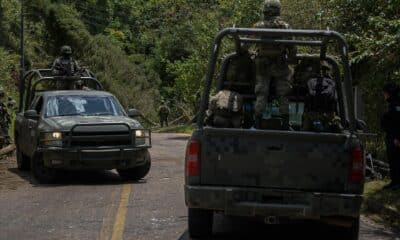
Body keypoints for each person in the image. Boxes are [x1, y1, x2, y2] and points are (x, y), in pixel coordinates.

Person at [253, 0, 297, 129]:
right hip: (280, 65)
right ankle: (285, 123)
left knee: (261, 93)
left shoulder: (258, 26)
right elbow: (292, 47)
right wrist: (292, 60)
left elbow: (246, 44)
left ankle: (257, 122)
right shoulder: (285, 26)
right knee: (283, 94)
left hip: (262, 66)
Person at [302, 62, 342, 133]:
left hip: (320, 115)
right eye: (321, 70)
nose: (322, 72)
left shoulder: (312, 81)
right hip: (320, 115)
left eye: (323, 70)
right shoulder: (330, 82)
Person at [381, 83, 400, 190]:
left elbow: (398, 122)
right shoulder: (392, 104)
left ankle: (398, 182)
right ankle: (394, 181)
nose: (384, 95)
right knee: (392, 159)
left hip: (395, 137)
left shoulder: (396, 105)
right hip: (391, 135)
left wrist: (397, 137)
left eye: (385, 93)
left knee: (396, 159)